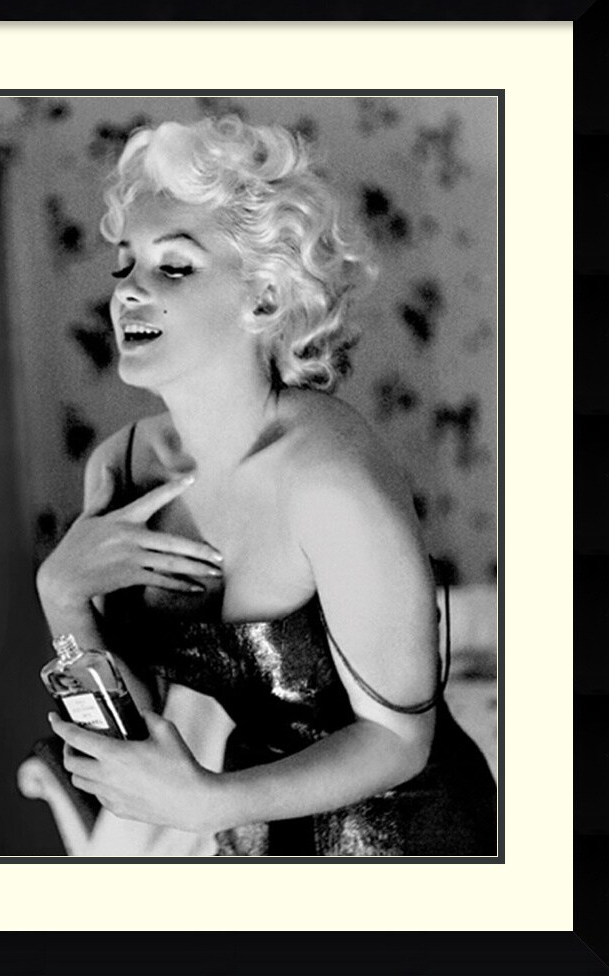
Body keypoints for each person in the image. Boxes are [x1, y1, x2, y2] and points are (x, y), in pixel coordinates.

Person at [34, 115, 496, 856]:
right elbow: (136, 732)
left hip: (405, 841)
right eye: (125, 265)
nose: (128, 292)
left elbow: (399, 741)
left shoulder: (328, 481)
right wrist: (63, 599)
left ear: (265, 300)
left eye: (173, 267)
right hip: (253, 832)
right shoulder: (120, 469)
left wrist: (209, 801)